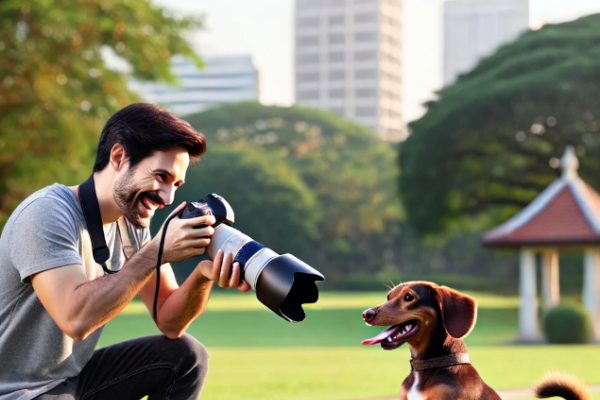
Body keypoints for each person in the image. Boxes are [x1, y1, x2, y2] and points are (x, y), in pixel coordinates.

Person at [0, 103, 251, 400]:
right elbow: (75, 319)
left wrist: (203, 275)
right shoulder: (45, 212)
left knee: (186, 356)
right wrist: (156, 251)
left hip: (70, 381)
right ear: (119, 157)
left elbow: (170, 322)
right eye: (161, 176)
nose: (168, 197)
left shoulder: (132, 225)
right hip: (14, 391)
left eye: (177, 184)